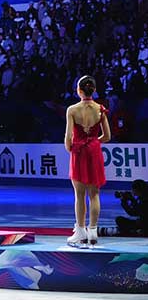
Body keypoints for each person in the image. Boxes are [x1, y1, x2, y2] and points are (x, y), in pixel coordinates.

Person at [65, 75, 111, 247]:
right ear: (94, 90)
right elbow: (107, 136)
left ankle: (80, 232)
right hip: (94, 151)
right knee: (94, 194)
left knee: (79, 194)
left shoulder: (72, 110)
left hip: (79, 151)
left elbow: (68, 136)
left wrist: (72, 148)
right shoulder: (100, 109)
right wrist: (93, 141)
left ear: (79, 90)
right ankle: (93, 232)